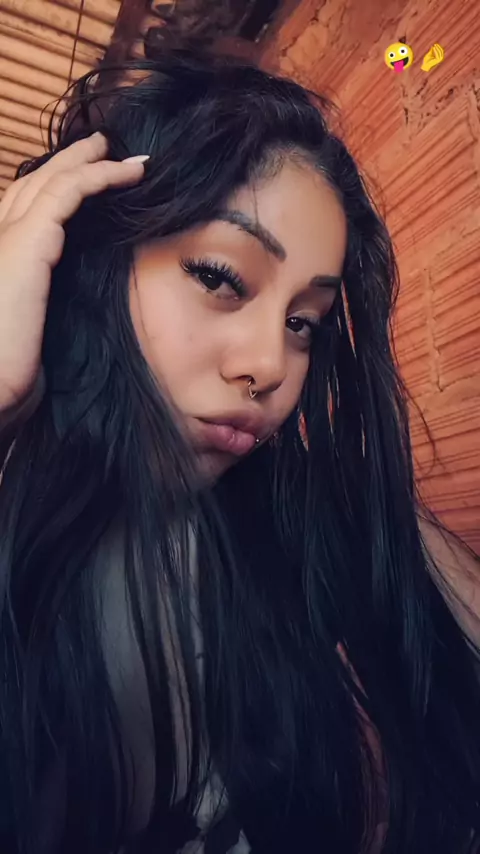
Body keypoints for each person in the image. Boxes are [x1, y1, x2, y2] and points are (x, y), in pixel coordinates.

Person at [0, 48, 479, 854]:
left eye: (303, 323)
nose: (270, 365)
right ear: (88, 269)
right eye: (221, 277)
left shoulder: (305, 522)